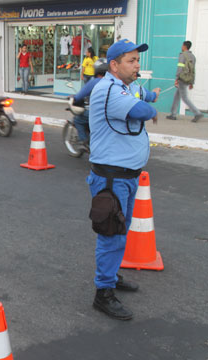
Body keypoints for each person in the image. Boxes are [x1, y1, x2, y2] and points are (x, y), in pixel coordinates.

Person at [87, 39, 161, 321]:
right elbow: (142, 110)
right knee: (111, 234)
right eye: (131, 61)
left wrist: (151, 94)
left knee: (120, 232)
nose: (137, 65)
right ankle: (102, 293)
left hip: (126, 178)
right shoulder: (108, 90)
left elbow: (144, 94)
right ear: (114, 65)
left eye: (138, 60)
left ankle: (111, 275)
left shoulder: (128, 87)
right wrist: (151, 108)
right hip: (111, 179)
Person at [70, 58, 108, 146]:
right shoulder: (113, 81)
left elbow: (80, 95)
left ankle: (83, 141)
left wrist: (74, 98)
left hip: (97, 113)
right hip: (111, 113)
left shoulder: (94, 82)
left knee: (78, 120)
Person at [167, 41, 203, 123]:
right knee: (177, 96)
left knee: (184, 97)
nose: (181, 47)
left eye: (182, 45)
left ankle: (197, 113)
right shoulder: (193, 56)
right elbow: (193, 70)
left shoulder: (182, 55)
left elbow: (180, 68)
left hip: (182, 78)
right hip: (188, 79)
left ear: (184, 46)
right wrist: (191, 82)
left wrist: (177, 78)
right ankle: (173, 114)